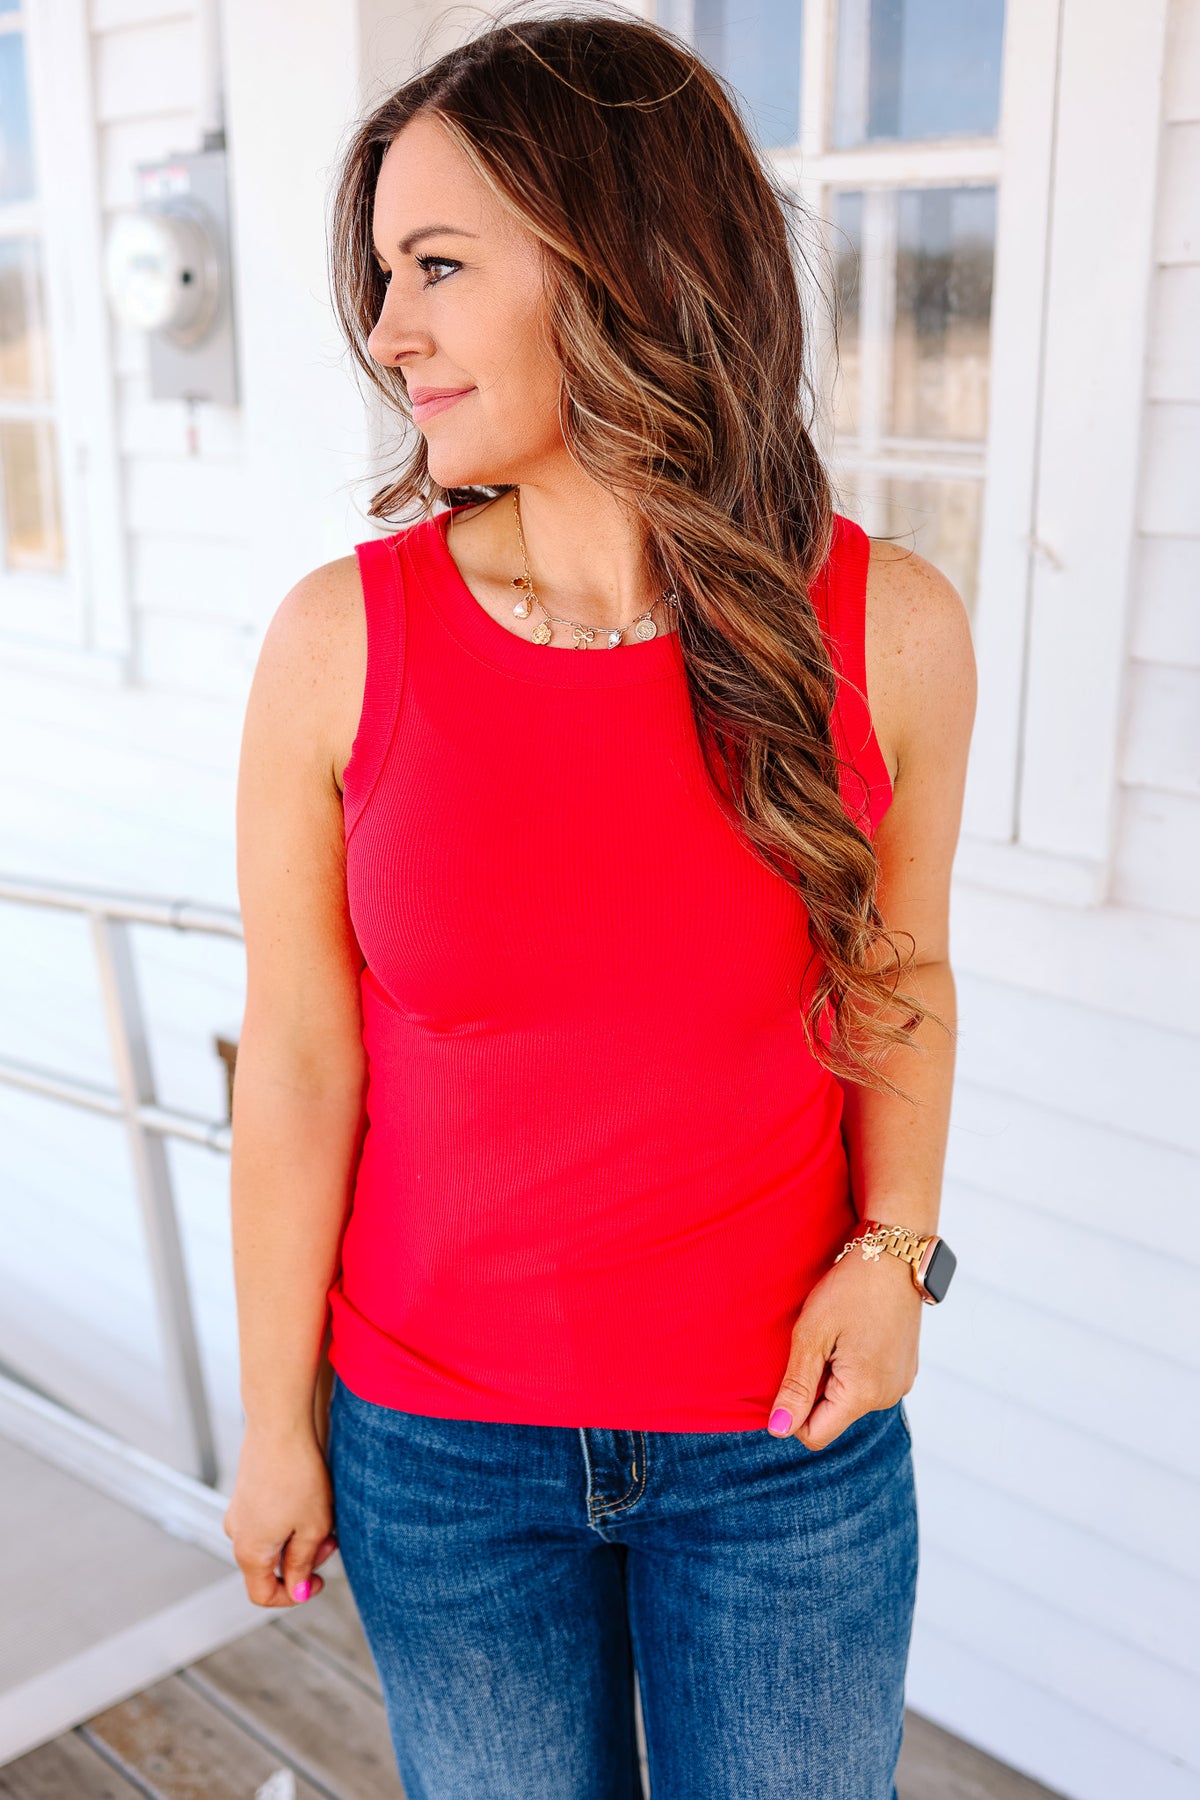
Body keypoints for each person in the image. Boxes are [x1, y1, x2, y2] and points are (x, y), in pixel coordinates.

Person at [222, 9, 977, 1797]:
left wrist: (898, 1255)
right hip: (440, 1456)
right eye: (383, 275)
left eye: (437, 265)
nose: (388, 329)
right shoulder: (339, 644)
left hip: (782, 1446)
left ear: (619, 258)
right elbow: (303, 1067)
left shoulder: (889, 627)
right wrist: (274, 1426)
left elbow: (901, 969)